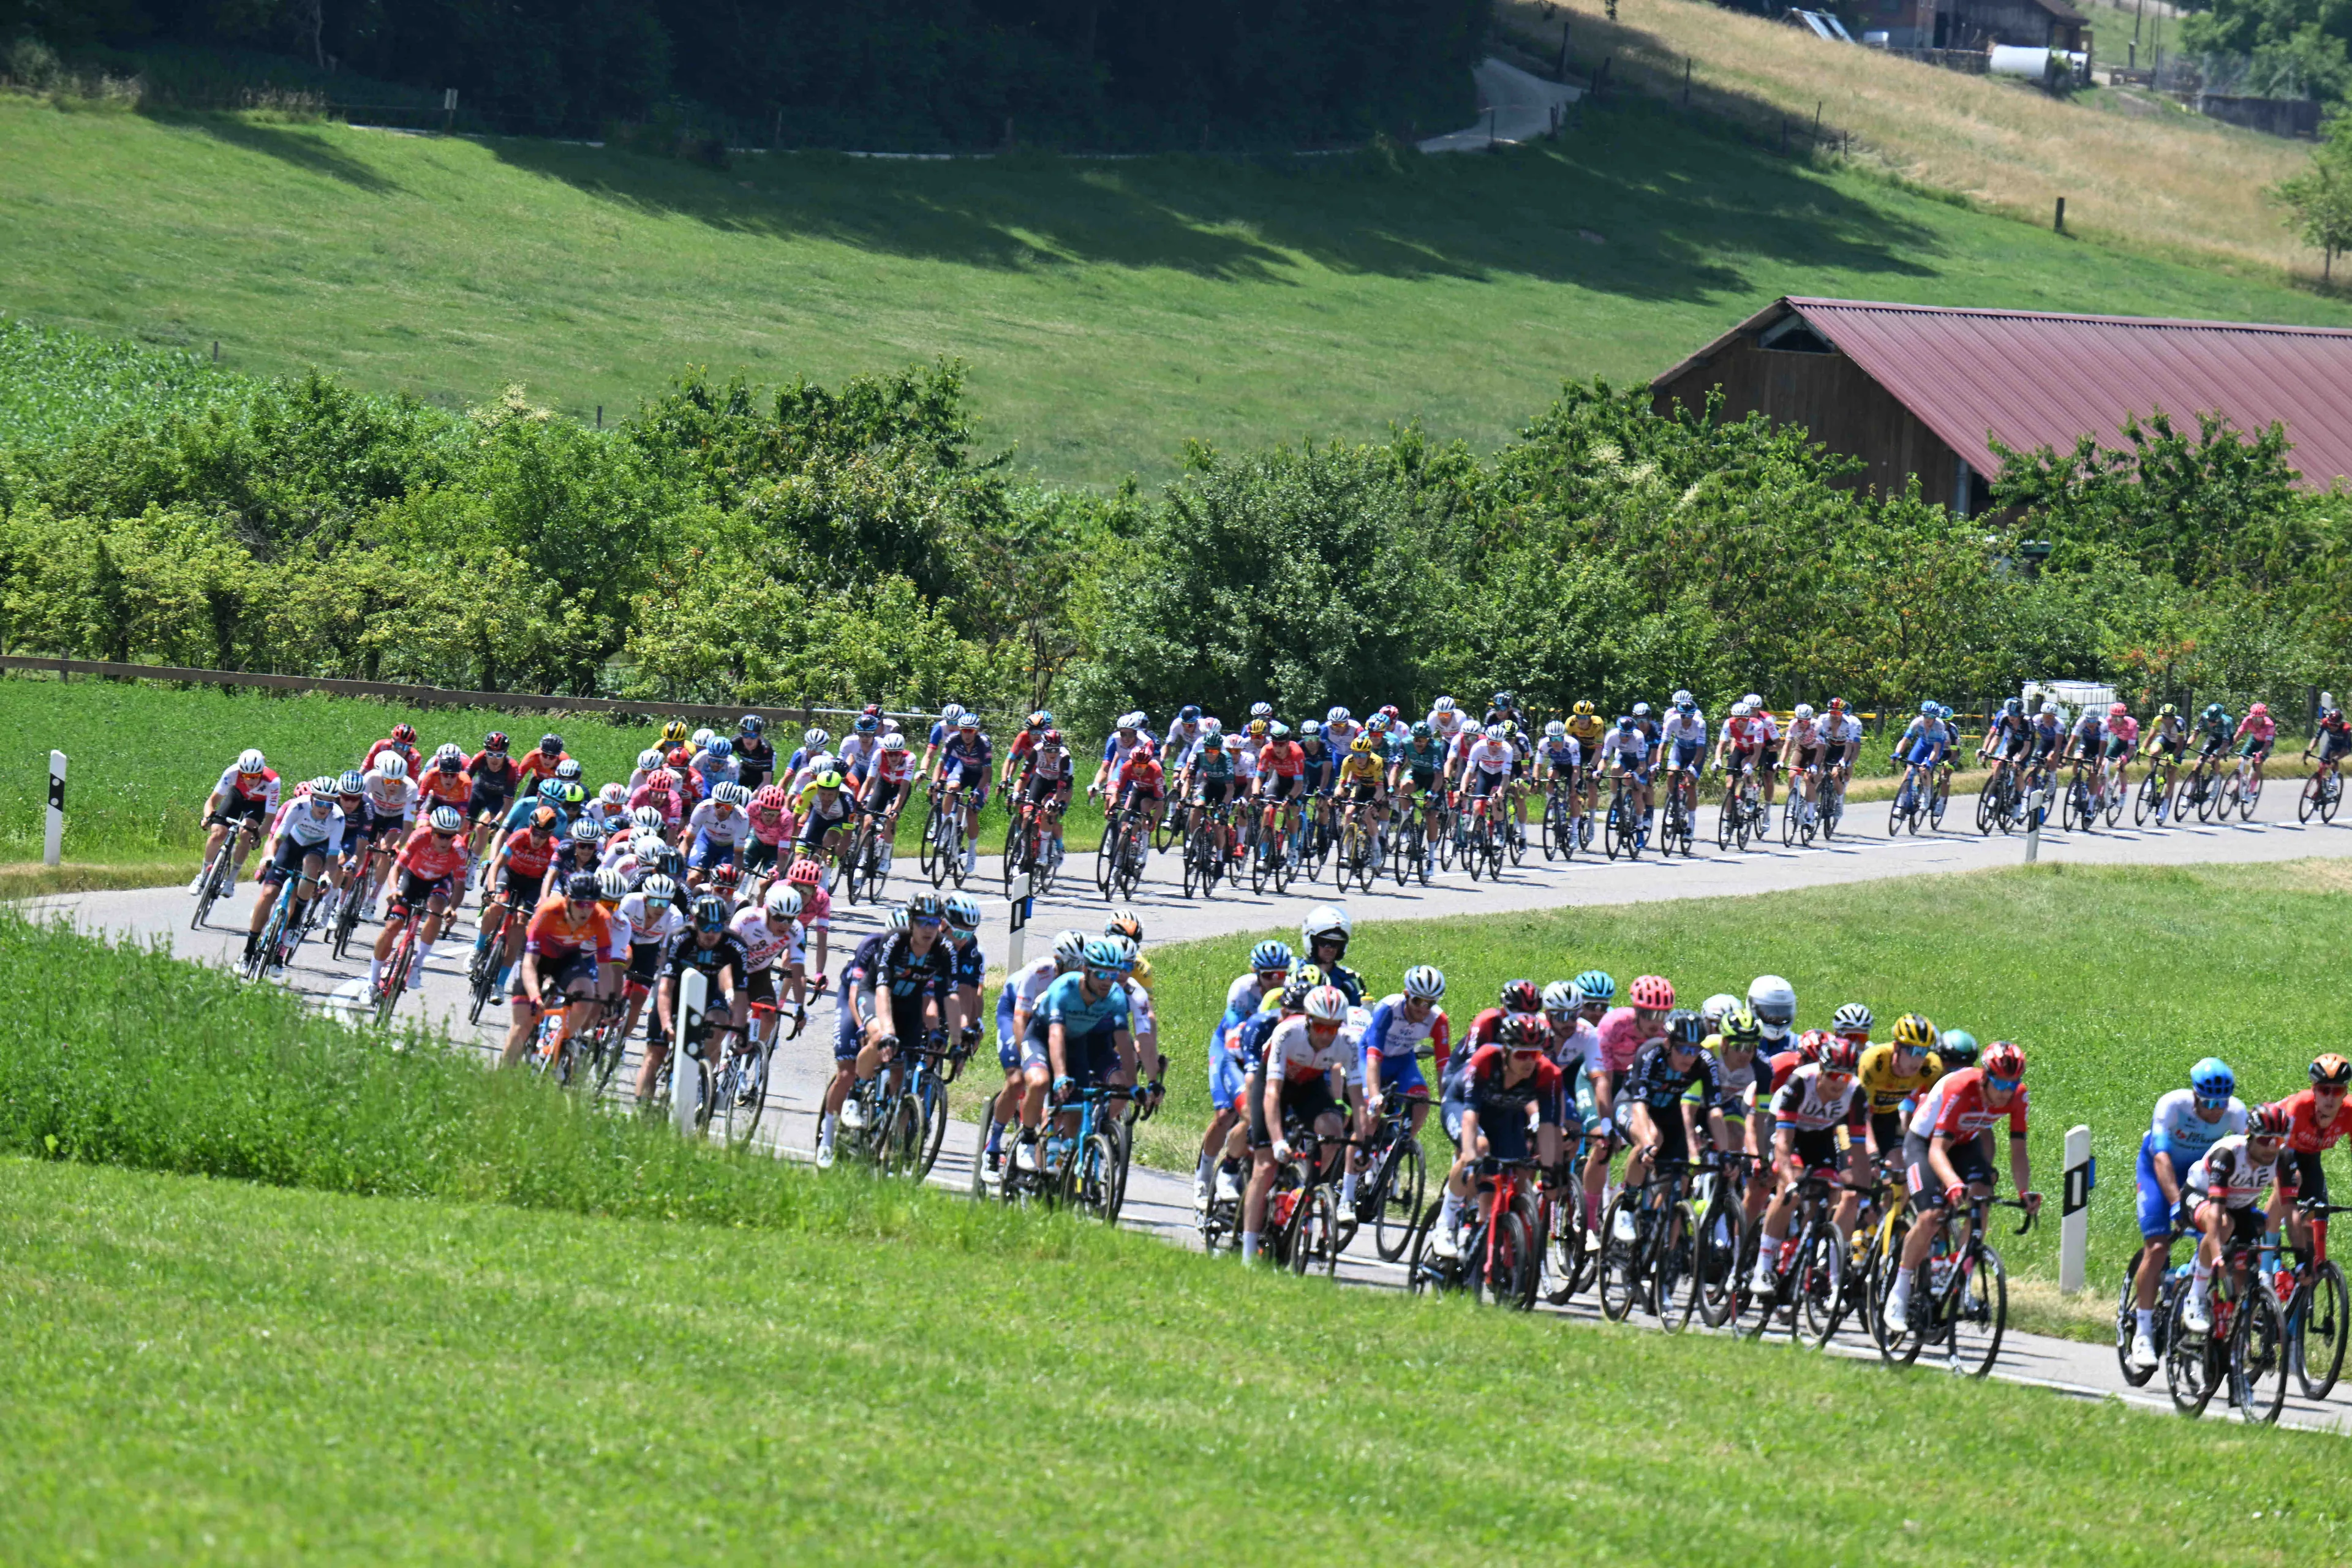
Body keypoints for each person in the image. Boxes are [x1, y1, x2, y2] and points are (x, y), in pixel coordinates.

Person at [1884, 1042, 2043, 1330]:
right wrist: (1954, 1183)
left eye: (2013, 1083)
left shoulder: (2018, 1097)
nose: (2006, 1092)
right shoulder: (1960, 1090)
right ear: (1985, 1077)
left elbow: (2019, 1150)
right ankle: (1900, 1289)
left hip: (1963, 1143)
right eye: (1999, 1083)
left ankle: (1963, 1280)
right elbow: (1935, 1151)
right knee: (1931, 1217)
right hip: (1925, 1142)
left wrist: (2024, 1192)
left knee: (1982, 1196)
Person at [820, 892, 957, 1167]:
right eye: (923, 922)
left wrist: (955, 1038)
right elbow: (876, 990)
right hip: (873, 997)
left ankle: (892, 1148)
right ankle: (851, 1102)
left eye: (935, 922)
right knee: (878, 1039)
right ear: (911, 922)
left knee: (901, 1076)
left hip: (907, 1006)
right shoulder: (891, 942)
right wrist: (884, 1030)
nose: (929, 928)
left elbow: (947, 997)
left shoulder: (943, 950)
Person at [2125, 1057, 2245, 1369]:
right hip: (2160, 1173)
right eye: (2208, 1102)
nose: (2215, 1110)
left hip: (2202, 1177)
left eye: (2222, 1102)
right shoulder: (2173, 1105)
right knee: (2158, 1245)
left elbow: (2242, 1161)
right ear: (2195, 1095)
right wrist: (2177, 1205)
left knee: (2222, 1230)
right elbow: (2161, 1158)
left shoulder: (2236, 1113)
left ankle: (2191, 1280)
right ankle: (2142, 1332)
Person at [1428, 1014, 1567, 1259]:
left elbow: (1547, 1128)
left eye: (1535, 1055)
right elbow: (1470, 1116)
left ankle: (1484, 1233)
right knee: (1480, 1149)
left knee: (1522, 1173)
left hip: (1503, 1116)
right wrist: (1470, 1157)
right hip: (1462, 1105)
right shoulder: (1486, 1060)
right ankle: (1445, 1225)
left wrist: (1548, 1171)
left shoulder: (1548, 1074)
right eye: (1522, 1055)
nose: (1529, 1063)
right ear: (1505, 1052)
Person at [1749, 1036, 1872, 1291]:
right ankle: (1762, 1266)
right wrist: (1790, 1181)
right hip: (1787, 1130)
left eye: (1847, 1077)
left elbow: (1858, 1148)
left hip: (1821, 1135)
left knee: (1827, 1188)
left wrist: (1864, 1189)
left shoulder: (1856, 1092)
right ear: (1822, 1071)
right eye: (1835, 1076)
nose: (1841, 1084)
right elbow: (1783, 1143)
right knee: (1789, 1189)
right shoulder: (1800, 1083)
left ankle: (1800, 1251)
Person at [1242, 984, 1352, 1263]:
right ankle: (1246, 1254)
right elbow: (1272, 1093)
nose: (1327, 1035)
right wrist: (1278, 1140)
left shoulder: (1346, 1041)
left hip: (1308, 1085)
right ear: (1308, 1020)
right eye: (1321, 1027)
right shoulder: (1286, 1032)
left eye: (1333, 1028)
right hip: (1272, 1084)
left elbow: (1360, 1101)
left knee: (1334, 1133)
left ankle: (1302, 1190)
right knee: (1266, 1163)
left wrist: (1360, 1141)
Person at [1614, 1009, 1735, 1240]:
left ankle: (1660, 1249)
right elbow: (1640, 1107)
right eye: (1683, 1049)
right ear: (1669, 1044)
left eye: (1695, 1049)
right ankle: (1626, 1206)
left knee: (1681, 1175)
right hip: (1632, 1104)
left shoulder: (1705, 1062)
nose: (1690, 1056)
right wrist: (1648, 1144)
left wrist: (1725, 1152)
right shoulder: (1651, 1054)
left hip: (1667, 1112)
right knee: (1652, 1138)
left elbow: (1715, 1111)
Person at [2177, 1105, 2297, 1335]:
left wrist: (2303, 1260)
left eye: (2278, 1140)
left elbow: (2291, 1211)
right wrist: (2216, 1257)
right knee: (2223, 1225)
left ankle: (2235, 1339)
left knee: (2246, 1267)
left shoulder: (2283, 1158)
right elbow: (2216, 1213)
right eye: (2264, 1140)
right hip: (2201, 1196)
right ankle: (2196, 1296)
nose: (2271, 1148)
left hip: (2238, 1206)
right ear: (2250, 1136)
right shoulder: (2229, 1154)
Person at [1198, 939, 1293, 1210]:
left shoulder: (1292, 990)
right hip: (1233, 1050)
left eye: (1281, 975)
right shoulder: (1242, 989)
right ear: (1255, 972)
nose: (1276, 981)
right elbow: (1235, 1032)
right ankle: (1205, 1177)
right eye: (1268, 976)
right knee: (1232, 1114)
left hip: (1268, 1053)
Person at [1351, 966, 1451, 1207]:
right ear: (1406, 994)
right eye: (1418, 1001)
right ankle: (1347, 1191)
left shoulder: (1439, 1021)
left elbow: (1443, 1067)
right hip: (1370, 1057)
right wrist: (1374, 1096)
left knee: (1422, 1102)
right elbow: (1373, 1056)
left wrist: (1449, 1102)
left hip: (1402, 1062)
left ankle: (1397, 1149)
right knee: (1372, 1115)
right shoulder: (1388, 1008)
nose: (1423, 1009)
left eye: (1430, 1003)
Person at [639, 894, 747, 1105]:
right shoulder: (681, 938)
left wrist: (741, 1031)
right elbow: (665, 989)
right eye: (705, 926)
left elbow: (741, 994)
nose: (711, 933)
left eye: (717, 927)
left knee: (721, 1023)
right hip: (675, 988)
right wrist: (667, 1025)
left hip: (709, 990)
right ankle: (641, 1109)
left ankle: (696, 1071)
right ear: (695, 922)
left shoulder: (735, 945)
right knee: (655, 1054)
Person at [505, 869, 611, 1068]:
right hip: (539, 958)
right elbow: (529, 963)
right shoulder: (550, 911)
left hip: (567, 958)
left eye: (592, 904)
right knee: (522, 1025)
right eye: (581, 903)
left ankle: (562, 1041)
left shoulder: (601, 918)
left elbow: (605, 968)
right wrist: (535, 996)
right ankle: (501, 1078)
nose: (586, 910)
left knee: (587, 993)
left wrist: (607, 1000)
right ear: (569, 899)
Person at [243, 777, 347, 969]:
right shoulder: (299, 807)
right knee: (269, 894)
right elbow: (277, 838)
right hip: (291, 845)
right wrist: (269, 858)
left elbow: (333, 857)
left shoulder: (338, 818)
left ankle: (296, 920)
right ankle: (248, 952)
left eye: (329, 804)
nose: (324, 808)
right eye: (320, 802)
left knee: (311, 864)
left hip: (316, 848)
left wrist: (326, 877)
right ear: (312, 799)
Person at [371, 804, 470, 999]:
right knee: (393, 926)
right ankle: (372, 982)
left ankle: (417, 964)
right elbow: (397, 869)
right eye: (441, 835)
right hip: (412, 877)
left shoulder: (459, 849)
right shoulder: (419, 836)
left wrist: (453, 908)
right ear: (432, 831)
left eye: (450, 836)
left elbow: (459, 884)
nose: (445, 840)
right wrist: (394, 891)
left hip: (438, 882)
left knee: (437, 909)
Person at [1856, 1012, 1943, 1169]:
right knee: (1865, 1170)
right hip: (1856, 1116)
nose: (1918, 1060)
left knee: (1899, 1168)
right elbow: (1861, 1112)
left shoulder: (1930, 1068)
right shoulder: (1874, 1062)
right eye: (1913, 1051)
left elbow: (1935, 1111)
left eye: (1924, 1052)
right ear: (1897, 1047)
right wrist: (1872, 1151)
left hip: (1888, 1116)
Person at [191, 749, 281, 896]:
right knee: (218, 833)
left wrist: (258, 836)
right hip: (236, 797)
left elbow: (270, 819)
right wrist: (207, 817)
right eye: (246, 776)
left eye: (255, 776)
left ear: (261, 773)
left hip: (258, 804)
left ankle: (231, 880)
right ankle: (202, 876)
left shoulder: (273, 782)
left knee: (246, 833)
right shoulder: (232, 772)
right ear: (241, 772)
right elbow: (212, 801)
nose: (251, 781)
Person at [2234, 701, 2277, 793]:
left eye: (2259, 719)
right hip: (2254, 740)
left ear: (2264, 718)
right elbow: (2239, 734)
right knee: (2240, 761)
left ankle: (2251, 791)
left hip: (2265, 744)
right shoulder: (2248, 720)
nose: (2256, 722)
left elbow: (2268, 743)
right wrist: (2230, 745)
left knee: (2257, 763)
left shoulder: (2269, 725)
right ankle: (2242, 782)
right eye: (2255, 718)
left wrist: (2261, 754)